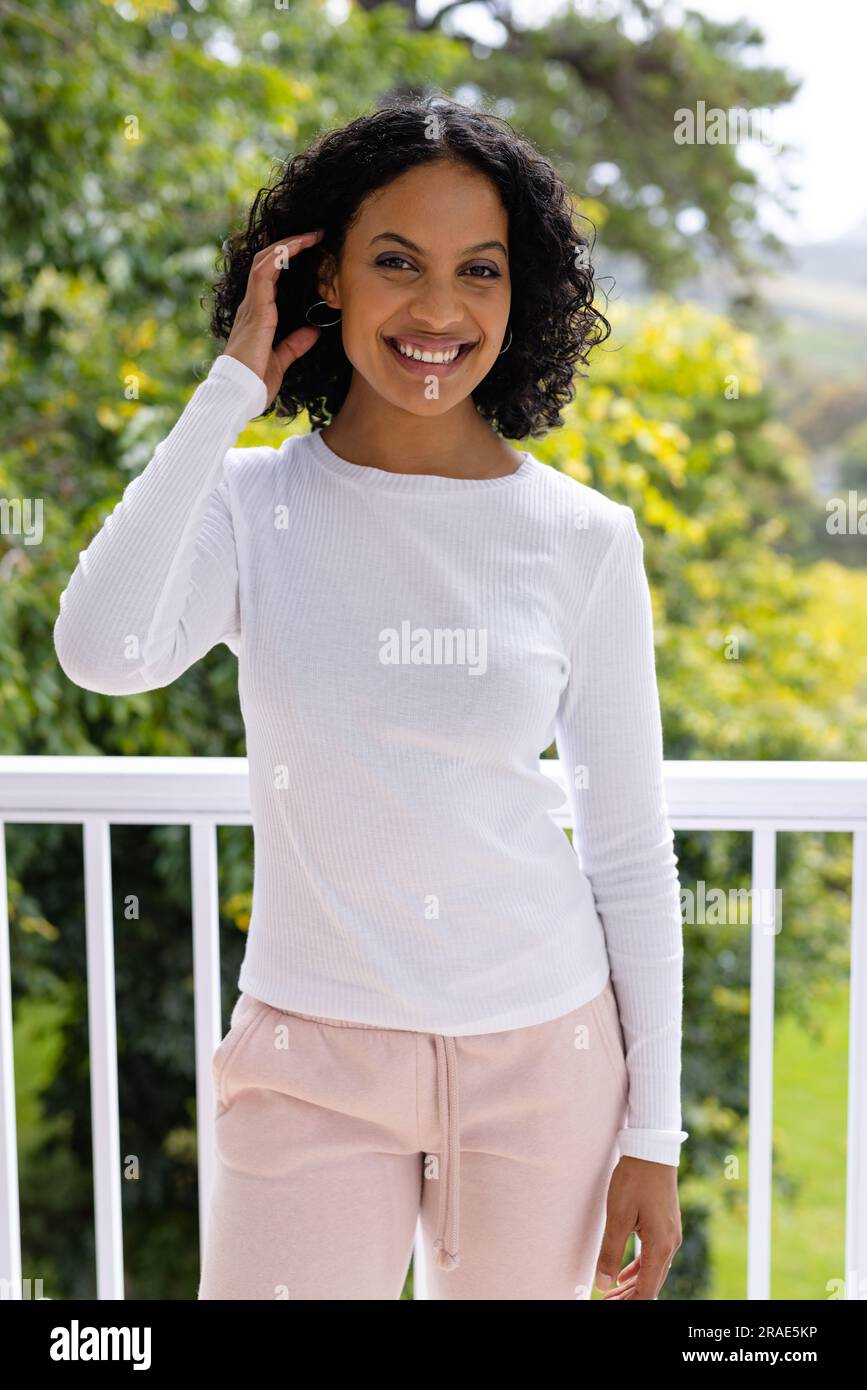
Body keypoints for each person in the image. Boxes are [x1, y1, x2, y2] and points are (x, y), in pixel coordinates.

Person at [53, 94, 687, 1301]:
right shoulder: (251, 507)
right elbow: (101, 646)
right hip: (307, 1053)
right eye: (396, 262)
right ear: (324, 276)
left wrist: (653, 1132)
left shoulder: (581, 538)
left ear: (523, 295)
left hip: (543, 1058)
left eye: (479, 272)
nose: (440, 312)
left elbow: (628, 852)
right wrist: (230, 388)